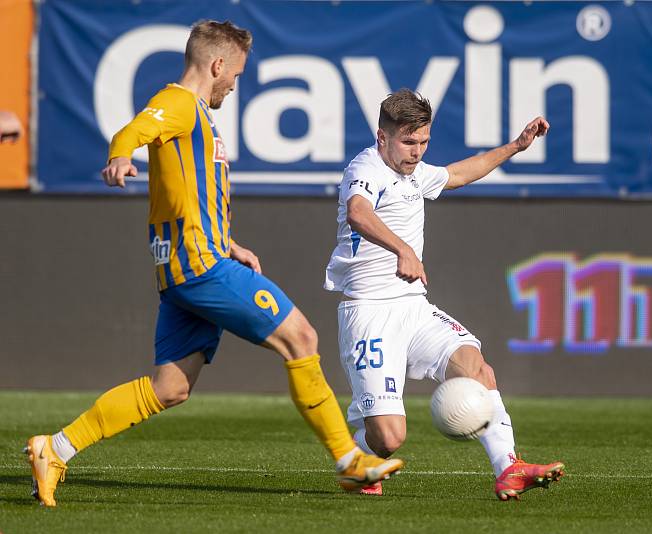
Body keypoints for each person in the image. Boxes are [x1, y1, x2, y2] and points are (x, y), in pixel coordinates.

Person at [24, 19, 402, 507]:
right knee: (301, 338)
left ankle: (54, 449)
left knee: (170, 387)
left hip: (195, 263)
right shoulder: (179, 102)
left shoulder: (196, 113)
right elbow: (130, 131)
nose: (234, 84)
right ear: (217, 64)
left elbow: (188, 196)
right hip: (199, 268)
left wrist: (228, 242)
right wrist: (120, 157)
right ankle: (350, 462)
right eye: (236, 75)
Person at [324, 89, 564, 500]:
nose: (416, 151)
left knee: (476, 367)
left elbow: (458, 174)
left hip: (414, 308)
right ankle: (359, 460)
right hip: (369, 312)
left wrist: (516, 146)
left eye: (423, 142)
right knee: (389, 438)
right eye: (408, 142)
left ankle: (509, 467)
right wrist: (402, 249)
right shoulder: (365, 168)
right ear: (382, 137)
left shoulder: (414, 172)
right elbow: (358, 213)